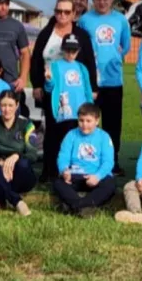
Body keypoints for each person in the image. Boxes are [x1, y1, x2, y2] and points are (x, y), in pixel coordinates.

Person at [30, 0, 98, 180]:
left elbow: (89, 63)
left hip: (77, 92)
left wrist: (92, 88)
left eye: (67, 12)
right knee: (52, 131)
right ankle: (50, 169)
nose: (62, 15)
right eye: (58, 11)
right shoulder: (46, 33)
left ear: (74, 14)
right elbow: (36, 59)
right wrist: (37, 83)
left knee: (76, 130)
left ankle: (75, 169)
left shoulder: (81, 36)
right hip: (53, 89)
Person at [78, 0, 131, 176]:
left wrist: (118, 55)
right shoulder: (85, 20)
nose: (102, 2)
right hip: (91, 80)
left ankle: (112, 160)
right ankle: (88, 159)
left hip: (113, 80)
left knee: (112, 123)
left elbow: (125, 45)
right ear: (93, 0)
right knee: (88, 121)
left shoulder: (120, 20)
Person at [43, 33, 95, 180]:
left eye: (74, 51)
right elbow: (49, 89)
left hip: (80, 113)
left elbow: (87, 90)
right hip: (62, 112)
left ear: (78, 50)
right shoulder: (55, 66)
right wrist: (48, 80)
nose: (70, 54)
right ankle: (53, 171)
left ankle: (76, 170)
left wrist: (91, 108)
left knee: (77, 142)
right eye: (67, 50)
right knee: (58, 142)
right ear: (62, 49)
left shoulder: (82, 68)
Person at [0, 90, 37, 216]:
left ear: (17, 106)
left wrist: (16, 156)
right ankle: (17, 201)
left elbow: (33, 154)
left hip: (20, 176)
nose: (7, 109)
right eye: (3, 105)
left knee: (24, 164)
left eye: (10, 105)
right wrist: (2, 163)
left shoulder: (27, 124)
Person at [53, 103, 116, 217]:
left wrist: (97, 176)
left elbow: (108, 162)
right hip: (75, 175)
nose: (84, 124)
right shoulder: (71, 135)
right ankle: (85, 207)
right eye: (81, 120)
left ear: (97, 121)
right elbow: (63, 156)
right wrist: (64, 170)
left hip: (96, 176)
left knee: (110, 185)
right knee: (58, 183)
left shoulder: (104, 137)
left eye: (88, 121)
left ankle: (76, 206)